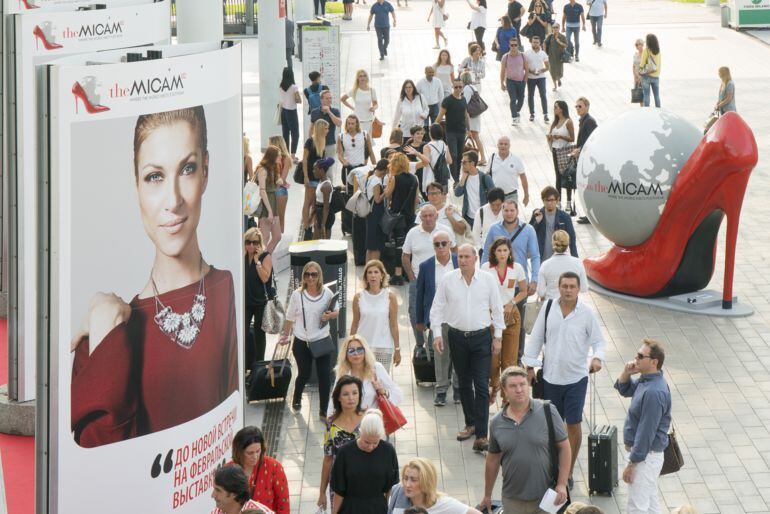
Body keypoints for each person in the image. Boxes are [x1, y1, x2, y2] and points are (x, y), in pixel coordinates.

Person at [71, 106, 238, 448]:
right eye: (154, 177)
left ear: (206, 171)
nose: (173, 200)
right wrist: (107, 337)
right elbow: (103, 466)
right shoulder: (108, 335)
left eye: (187, 169)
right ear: (136, 185)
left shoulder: (228, 290)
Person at [524, 271, 605, 489]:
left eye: (572, 286)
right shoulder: (549, 308)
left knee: (574, 423)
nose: (568, 290)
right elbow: (536, 337)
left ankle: (567, 471)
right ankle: (553, 466)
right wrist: (529, 366)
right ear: (558, 287)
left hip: (576, 378)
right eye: (564, 286)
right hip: (551, 377)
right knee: (553, 426)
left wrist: (597, 359)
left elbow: (599, 341)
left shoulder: (586, 313)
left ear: (578, 289)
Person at [431, 244, 505, 452]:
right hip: (457, 337)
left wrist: (497, 337)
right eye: (460, 256)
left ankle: (482, 435)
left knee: (481, 385)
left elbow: (497, 309)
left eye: (466, 256)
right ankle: (470, 423)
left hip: (481, 337)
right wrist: (437, 333)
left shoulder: (487, 280)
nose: (462, 260)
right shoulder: (448, 280)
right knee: (463, 383)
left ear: (475, 258)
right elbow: (437, 308)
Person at [479, 366, 570, 514]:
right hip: (512, 499)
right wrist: (487, 495)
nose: (519, 389)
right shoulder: (496, 422)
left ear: (528, 385)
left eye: (522, 384)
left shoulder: (548, 410)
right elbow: (492, 460)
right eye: (513, 386)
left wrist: (561, 483)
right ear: (505, 390)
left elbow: (565, 448)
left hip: (547, 497)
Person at [615, 339, 672, 514]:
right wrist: (627, 372)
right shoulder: (646, 380)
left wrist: (632, 463)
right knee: (650, 503)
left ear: (654, 362)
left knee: (637, 507)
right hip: (647, 457)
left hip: (644, 458)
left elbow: (646, 432)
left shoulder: (654, 392)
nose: (636, 359)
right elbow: (624, 389)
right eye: (636, 355)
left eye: (641, 356)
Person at [278, 261, 340, 418]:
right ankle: (297, 398)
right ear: (303, 276)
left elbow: (336, 310)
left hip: (321, 340)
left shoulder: (327, 293)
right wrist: (285, 335)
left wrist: (329, 315)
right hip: (302, 341)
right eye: (307, 274)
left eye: (314, 274)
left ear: (319, 276)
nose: (310, 278)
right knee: (304, 373)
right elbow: (290, 318)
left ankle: (324, 410)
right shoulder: (297, 295)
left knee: (324, 376)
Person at [483, 199, 540, 359]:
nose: (509, 213)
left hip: (518, 283)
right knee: (492, 321)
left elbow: (535, 255)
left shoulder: (528, 230)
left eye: (511, 210)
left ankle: (517, 357)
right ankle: (493, 357)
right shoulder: (494, 229)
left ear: (517, 211)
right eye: (506, 210)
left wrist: (535, 279)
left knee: (517, 323)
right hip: (496, 285)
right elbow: (485, 255)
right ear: (502, 211)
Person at [415, 230, 459, 406]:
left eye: (444, 243)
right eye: (437, 244)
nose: (440, 247)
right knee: (441, 356)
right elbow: (420, 294)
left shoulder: (459, 261)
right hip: (438, 319)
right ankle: (441, 390)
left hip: (459, 318)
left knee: (459, 356)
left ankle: (458, 389)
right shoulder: (426, 266)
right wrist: (419, 320)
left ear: (450, 244)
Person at [403, 205, 457, 349]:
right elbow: (405, 256)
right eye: (424, 216)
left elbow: (455, 252)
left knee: (439, 312)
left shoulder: (445, 231)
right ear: (420, 217)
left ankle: (438, 342)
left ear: (436, 216)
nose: (428, 218)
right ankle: (420, 343)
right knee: (415, 312)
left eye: (430, 215)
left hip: (442, 280)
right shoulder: (413, 233)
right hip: (418, 280)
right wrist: (411, 277)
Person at [481, 238, 526, 402]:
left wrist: (512, 302)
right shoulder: (486, 268)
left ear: (509, 252)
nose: (502, 254)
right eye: (499, 251)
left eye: (505, 251)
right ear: (494, 252)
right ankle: (494, 387)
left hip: (511, 316)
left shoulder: (517, 268)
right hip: (492, 317)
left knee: (510, 360)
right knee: (493, 360)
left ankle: (507, 398)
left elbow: (523, 291)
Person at [330, 409, 400, 514]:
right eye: (366, 442)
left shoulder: (388, 451)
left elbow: (392, 486)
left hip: (379, 509)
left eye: (375, 443)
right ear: (360, 432)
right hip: (351, 509)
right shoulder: (345, 452)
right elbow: (339, 491)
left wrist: (389, 509)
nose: (370, 447)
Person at [318, 376, 366, 513]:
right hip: (339, 483)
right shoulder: (331, 424)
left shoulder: (369, 418)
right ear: (338, 398)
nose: (351, 398)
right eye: (346, 394)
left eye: (355, 393)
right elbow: (328, 458)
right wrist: (322, 492)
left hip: (365, 480)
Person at [329, 335, 403, 416]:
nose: (356, 353)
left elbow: (398, 394)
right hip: (350, 423)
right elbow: (333, 400)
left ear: (365, 351)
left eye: (360, 349)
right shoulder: (343, 372)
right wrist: (330, 422)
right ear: (345, 354)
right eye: (351, 351)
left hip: (372, 422)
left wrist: (383, 391)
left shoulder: (376, 368)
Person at [351, 260, 401, 369]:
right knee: (363, 382)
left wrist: (397, 349)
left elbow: (394, 325)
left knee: (381, 383)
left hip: (383, 347)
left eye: (376, 272)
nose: (373, 275)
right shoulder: (358, 297)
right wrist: (350, 346)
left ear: (382, 275)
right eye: (369, 272)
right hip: (362, 347)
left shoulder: (390, 297)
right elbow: (355, 323)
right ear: (366, 277)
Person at [389, 458, 482, 513]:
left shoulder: (443, 504)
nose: (407, 484)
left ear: (426, 482)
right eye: (405, 478)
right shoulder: (398, 492)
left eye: (413, 480)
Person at [230, 427, 289, 514]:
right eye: (250, 453)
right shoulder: (229, 471)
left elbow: (283, 506)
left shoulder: (274, 467)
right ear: (239, 452)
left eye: (258, 451)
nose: (255, 456)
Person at [385, 152, 420, 284]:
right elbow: (416, 199)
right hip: (410, 216)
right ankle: (407, 272)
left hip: (397, 217)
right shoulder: (414, 179)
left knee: (399, 246)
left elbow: (388, 195)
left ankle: (398, 273)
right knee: (408, 245)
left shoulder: (395, 178)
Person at [244, 227, 274, 374]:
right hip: (246, 301)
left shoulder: (265, 257)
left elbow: (265, 278)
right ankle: (246, 363)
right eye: (248, 242)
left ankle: (260, 365)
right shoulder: (243, 257)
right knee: (243, 331)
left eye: (254, 242)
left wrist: (257, 262)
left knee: (258, 333)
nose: (251, 246)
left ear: (259, 243)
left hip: (261, 301)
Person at [529, 186, 577, 261]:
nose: (549, 203)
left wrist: (576, 261)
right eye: (546, 200)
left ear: (557, 200)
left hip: (559, 258)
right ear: (543, 200)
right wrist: (537, 223)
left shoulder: (565, 217)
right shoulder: (537, 214)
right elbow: (529, 234)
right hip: (541, 258)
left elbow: (572, 239)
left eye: (552, 200)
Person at [436, 79, 470, 183]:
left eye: (460, 87)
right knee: (453, 155)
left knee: (460, 155)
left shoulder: (463, 99)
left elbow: (466, 115)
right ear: (452, 87)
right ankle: (455, 179)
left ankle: (457, 175)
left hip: (461, 131)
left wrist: (469, 130)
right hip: (450, 132)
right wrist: (433, 128)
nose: (458, 89)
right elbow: (440, 116)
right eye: (456, 87)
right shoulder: (448, 100)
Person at [536, 230, 587, 300]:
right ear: (568, 243)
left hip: (551, 305)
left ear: (552, 243)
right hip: (571, 305)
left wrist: (550, 289)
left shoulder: (545, 265)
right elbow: (584, 288)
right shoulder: (578, 263)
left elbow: (540, 292)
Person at [572, 97, 597, 225]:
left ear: (587, 107)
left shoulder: (589, 121)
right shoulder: (584, 120)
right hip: (583, 158)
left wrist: (580, 149)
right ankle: (589, 215)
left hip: (588, 160)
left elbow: (593, 140)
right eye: (576, 106)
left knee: (588, 189)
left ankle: (591, 216)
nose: (577, 109)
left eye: (580, 106)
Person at [547, 101, 576, 213]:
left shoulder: (568, 122)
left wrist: (560, 136)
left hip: (565, 151)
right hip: (556, 150)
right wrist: (550, 137)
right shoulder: (555, 122)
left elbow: (572, 138)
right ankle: (558, 201)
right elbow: (550, 135)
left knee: (567, 175)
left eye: (556, 107)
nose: (554, 109)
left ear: (562, 109)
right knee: (558, 176)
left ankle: (568, 202)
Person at [454, 150, 494, 227]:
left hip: (483, 218)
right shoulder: (465, 178)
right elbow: (457, 194)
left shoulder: (485, 178)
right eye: (462, 162)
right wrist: (463, 178)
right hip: (468, 218)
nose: (462, 164)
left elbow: (495, 197)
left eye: (464, 162)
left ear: (472, 163)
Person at [485, 136, 529, 204]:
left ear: (509, 146)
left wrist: (526, 195)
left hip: (511, 196)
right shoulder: (492, 158)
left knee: (511, 214)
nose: (503, 146)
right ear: (497, 145)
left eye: (506, 144)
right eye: (501, 144)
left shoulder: (516, 159)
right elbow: (486, 175)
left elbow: (523, 177)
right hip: (495, 197)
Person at [255, 146, 282, 253]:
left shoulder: (274, 168)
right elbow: (262, 191)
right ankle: (260, 262)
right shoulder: (263, 170)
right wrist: (269, 211)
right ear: (272, 156)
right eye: (278, 155)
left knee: (277, 236)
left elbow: (273, 189)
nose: (280, 157)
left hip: (273, 204)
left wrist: (278, 183)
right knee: (264, 239)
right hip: (266, 207)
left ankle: (265, 258)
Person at [338, 115, 376, 183]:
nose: (350, 126)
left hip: (361, 167)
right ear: (346, 124)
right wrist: (343, 161)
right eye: (348, 123)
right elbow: (340, 155)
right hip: (348, 167)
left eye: (352, 123)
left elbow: (370, 152)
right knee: (347, 189)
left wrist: (375, 166)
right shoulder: (341, 136)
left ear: (357, 124)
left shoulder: (364, 134)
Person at [366, 159, 390, 262]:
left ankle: (368, 269)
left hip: (370, 214)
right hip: (375, 214)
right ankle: (374, 267)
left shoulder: (371, 177)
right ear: (384, 170)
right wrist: (386, 191)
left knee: (370, 245)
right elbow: (377, 199)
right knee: (376, 245)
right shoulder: (376, 181)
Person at [341, 70, 379, 134]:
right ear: (357, 78)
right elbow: (342, 99)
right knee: (358, 140)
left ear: (367, 78)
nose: (363, 78)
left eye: (364, 76)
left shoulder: (372, 90)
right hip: (357, 120)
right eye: (360, 76)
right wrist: (352, 108)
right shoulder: (354, 90)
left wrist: (374, 108)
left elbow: (376, 104)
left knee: (367, 140)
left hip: (368, 120)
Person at [500, 37, 527, 125]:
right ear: (509, 46)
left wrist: (525, 81)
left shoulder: (523, 56)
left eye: (515, 45)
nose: (514, 47)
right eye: (512, 45)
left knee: (521, 99)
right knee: (513, 99)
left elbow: (527, 69)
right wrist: (502, 83)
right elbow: (502, 71)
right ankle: (514, 117)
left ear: (518, 46)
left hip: (521, 81)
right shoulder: (505, 57)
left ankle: (517, 111)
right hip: (510, 81)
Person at [267, 136, 292, 233]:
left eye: (269, 143)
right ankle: (278, 238)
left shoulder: (284, 158)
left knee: (274, 217)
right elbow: (283, 178)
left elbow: (282, 178)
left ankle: (276, 238)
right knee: (280, 217)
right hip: (279, 190)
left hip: (275, 190)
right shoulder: (286, 158)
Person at [310, 90, 343, 161]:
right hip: (317, 144)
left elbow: (339, 124)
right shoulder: (314, 112)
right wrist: (310, 141)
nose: (329, 100)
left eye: (330, 98)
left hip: (330, 144)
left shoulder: (335, 111)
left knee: (329, 170)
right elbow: (312, 128)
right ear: (321, 100)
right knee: (317, 168)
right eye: (327, 98)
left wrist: (329, 112)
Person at [524, 36, 549, 122]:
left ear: (540, 43)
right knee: (530, 95)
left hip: (541, 77)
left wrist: (541, 71)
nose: (535, 44)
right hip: (531, 78)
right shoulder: (527, 53)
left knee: (543, 95)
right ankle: (532, 114)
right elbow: (525, 66)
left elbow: (547, 67)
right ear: (531, 42)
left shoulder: (543, 53)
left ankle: (545, 114)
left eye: (537, 42)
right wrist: (531, 72)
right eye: (534, 42)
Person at [422, 125, 454, 193]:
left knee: (432, 200)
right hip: (443, 178)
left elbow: (426, 163)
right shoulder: (444, 145)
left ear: (430, 133)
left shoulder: (427, 146)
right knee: (442, 199)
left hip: (431, 177)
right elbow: (450, 161)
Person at [278, 68, 301, 160]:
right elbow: (299, 100)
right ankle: (292, 155)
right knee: (295, 134)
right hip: (291, 111)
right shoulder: (294, 87)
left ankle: (286, 154)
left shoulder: (280, 86)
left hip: (284, 111)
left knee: (285, 133)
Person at [313, 157, 336, 239]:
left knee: (323, 242)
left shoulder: (326, 186)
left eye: (315, 169)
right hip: (320, 213)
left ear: (321, 170)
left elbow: (326, 207)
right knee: (316, 240)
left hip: (325, 215)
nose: (313, 171)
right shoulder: (321, 181)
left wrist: (323, 224)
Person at [639, 33, 661, 108]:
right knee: (657, 96)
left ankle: (647, 113)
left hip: (646, 77)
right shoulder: (658, 51)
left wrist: (640, 71)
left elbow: (641, 64)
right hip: (656, 77)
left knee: (647, 96)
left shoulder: (646, 51)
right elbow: (658, 65)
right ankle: (659, 111)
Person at [545, 24, 568, 90]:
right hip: (551, 56)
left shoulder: (562, 37)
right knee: (552, 71)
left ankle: (558, 79)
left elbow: (566, 45)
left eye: (556, 27)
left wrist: (560, 42)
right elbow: (545, 43)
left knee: (559, 71)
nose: (555, 29)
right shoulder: (550, 36)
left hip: (559, 57)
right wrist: (545, 53)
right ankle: (555, 86)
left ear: (559, 28)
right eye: (554, 27)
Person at [632, 39, 644, 107]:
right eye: (636, 45)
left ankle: (644, 108)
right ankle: (642, 107)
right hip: (636, 77)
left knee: (644, 94)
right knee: (639, 94)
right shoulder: (635, 54)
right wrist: (635, 76)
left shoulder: (645, 54)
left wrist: (640, 77)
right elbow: (633, 66)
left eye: (638, 44)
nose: (637, 46)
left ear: (642, 45)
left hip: (643, 76)